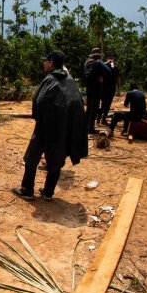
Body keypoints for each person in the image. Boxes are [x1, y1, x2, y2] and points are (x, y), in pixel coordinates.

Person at [12, 50, 88, 201]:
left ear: (51, 62)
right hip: (64, 128)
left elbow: (38, 100)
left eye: (45, 61)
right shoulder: (70, 81)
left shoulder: (50, 79)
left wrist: (40, 119)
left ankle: (27, 190)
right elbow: (78, 102)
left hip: (45, 126)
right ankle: (48, 192)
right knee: (56, 159)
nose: (44, 63)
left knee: (32, 156)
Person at [82, 48, 110, 133]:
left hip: (88, 87)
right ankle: (91, 128)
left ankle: (85, 126)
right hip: (97, 88)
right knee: (94, 108)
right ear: (98, 55)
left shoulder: (86, 62)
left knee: (89, 107)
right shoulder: (98, 62)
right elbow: (108, 71)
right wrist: (102, 78)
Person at [99, 53, 120, 125]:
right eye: (110, 58)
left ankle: (102, 119)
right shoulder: (103, 66)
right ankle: (100, 119)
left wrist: (118, 90)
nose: (111, 60)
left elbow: (117, 78)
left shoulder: (115, 67)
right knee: (104, 104)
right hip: (104, 88)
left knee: (106, 104)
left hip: (111, 88)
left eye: (112, 58)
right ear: (107, 59)